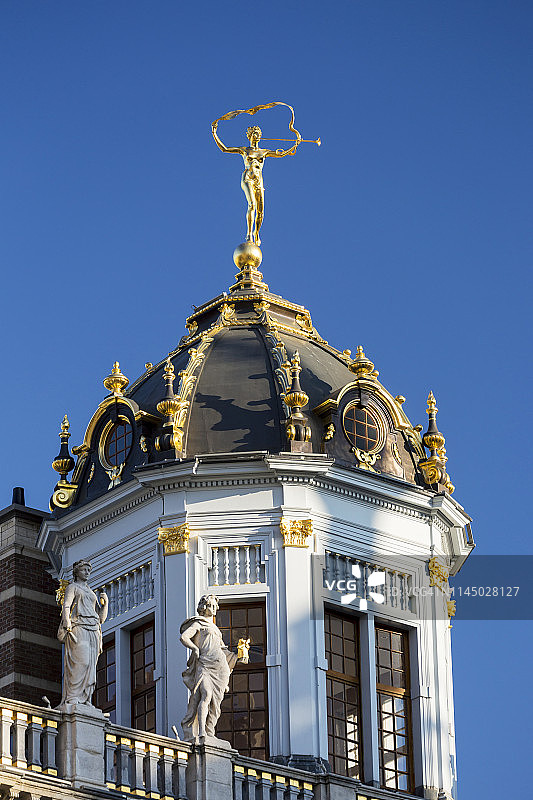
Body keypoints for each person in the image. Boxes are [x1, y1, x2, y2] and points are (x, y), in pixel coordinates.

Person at [212, 122, 301, 246]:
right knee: (252, 205)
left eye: (258, 133)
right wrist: (214, 133)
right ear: (249, 136)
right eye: (254, 133)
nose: (257, 135)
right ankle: (249, 234)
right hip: (248, 177)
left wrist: (296, 143)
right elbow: (225, 149)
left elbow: (283, 153)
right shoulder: (244, 150)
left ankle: (256, 233)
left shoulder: (264, 152)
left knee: (261, 211)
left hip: (259, 181)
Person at [180, 594, 249, 740]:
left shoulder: (216, 630)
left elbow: (222, 650)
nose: (213, 608)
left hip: (220, 667)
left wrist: (238, 656)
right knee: (206, 695)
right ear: (204, 607)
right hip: (205, 664)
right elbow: (184, 637)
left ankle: (209, 731)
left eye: (214, 606)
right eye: (210, 605)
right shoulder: (199, 624)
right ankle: (201, 732)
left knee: (216, 703)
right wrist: (195, 648)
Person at [57, 559, 108, 706]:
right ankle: (73, 697)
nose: (87, 573)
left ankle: (85, 698)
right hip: (79, 626)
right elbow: (67, 605)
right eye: (84, 570)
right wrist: (67, 622)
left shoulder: (90, 591)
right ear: (76, 572)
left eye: (88, 570)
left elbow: (101, 618)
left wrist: (105, 604)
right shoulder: (72, 587)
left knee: (90, 665)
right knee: (81, 661)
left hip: (93, 629)